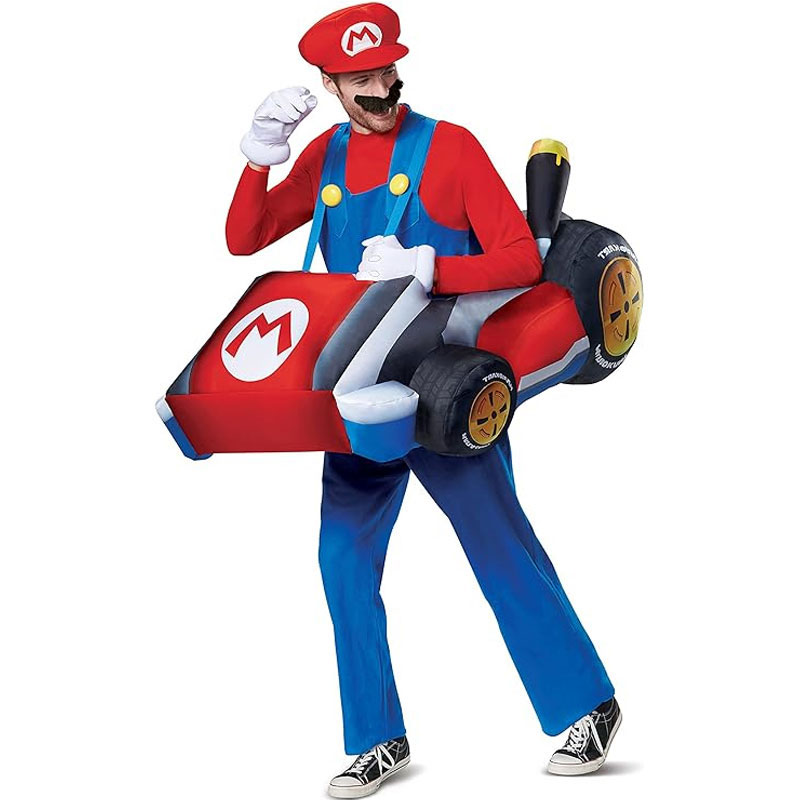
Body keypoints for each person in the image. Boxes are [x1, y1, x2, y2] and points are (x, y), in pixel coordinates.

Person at [226, 4, 621, 796]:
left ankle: (588, 706)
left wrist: (428, 266)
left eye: (387, 71)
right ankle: (377, 738)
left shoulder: (452, 147)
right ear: (331, 85)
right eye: (360, 79)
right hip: (357, 390)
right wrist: (259, 155)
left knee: (497, 544)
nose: (381, 88)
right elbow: (246, 236)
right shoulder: (328, 155)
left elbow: (520, 260)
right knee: (342, 562)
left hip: (445, 388)